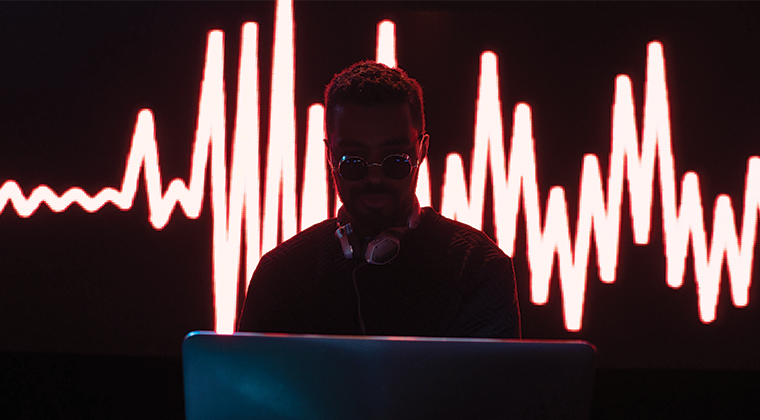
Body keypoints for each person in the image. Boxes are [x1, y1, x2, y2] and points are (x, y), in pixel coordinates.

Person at [238, 61, 520, 338]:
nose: (374, 179)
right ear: (330, 155)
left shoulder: (478, 267)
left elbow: (492, 384)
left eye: (395, 160)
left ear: (422, 150)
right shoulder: (280, 275)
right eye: (354, 161)